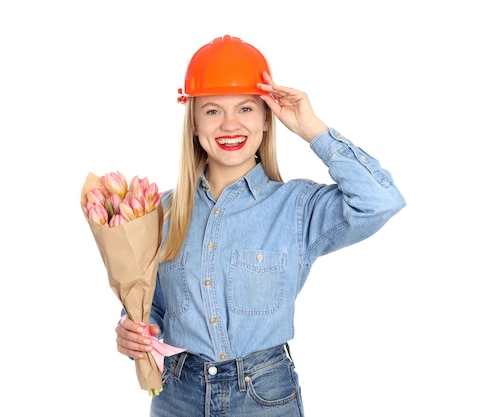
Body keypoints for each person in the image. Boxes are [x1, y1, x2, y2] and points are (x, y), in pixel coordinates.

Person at [115, 34, 406, 417]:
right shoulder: (161, 211)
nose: (229, 124)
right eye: (213, 111)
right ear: (195, 123)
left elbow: (380, 201)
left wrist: (311, 128)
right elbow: (151, 303)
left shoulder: (297, 207)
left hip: (263, 396)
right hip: (177, 394)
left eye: (247, 109)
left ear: (267, 118)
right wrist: (134, 329)